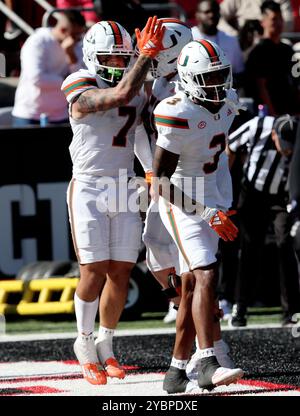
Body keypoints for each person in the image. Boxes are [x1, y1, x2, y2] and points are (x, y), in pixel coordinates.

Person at [61, 16, 165, 385]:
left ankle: (106, 342)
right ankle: (84, 342)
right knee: (93, 269)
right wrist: (142, 60)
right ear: (92, 55)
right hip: (88, 185)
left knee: (121, 269)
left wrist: (150, 171)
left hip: (122, 183)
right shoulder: (79, 82)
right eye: (113, 58)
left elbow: (136, 127)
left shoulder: (137, 85)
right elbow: (118, 96)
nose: (119, 64)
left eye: (124, 58)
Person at [152, 39, 244, 392]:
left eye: (221, 74)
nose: (218, 84)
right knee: (206, 273)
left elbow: (222, 150)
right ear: (188, 80)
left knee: (191, 287)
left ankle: (176, 372)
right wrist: (205, 211)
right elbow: (160, 182)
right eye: (208, 78)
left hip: (212, 202)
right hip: (183, 204)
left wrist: (222, 197)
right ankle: (207, 359)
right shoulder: (177, 112)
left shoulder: (227, 102)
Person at [227, 114, 300, 326]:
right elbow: (229, 147)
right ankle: (240, 307)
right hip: (252, 194)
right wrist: (225, 187)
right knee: (250, 247)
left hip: (282, 196)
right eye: (283, 143)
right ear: (274, 133)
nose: (286, 150)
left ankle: (291, 311)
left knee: (287, 245)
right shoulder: (257, 126)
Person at [12, 10, 86, 126]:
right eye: (76, 35)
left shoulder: (75, 45)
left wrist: (70, 54)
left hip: (61, 115)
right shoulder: (37, 41)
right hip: (30, 114)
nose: (78, 40)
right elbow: (37, 78)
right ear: (63, 30)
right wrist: (67, 82)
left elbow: (80, 80)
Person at [244, 1, 300, 116]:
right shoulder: (258, 52)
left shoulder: (288, 50)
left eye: (280, 18)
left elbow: (296, 81)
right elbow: (261, 87)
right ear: (263, 22)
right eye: (274, 19)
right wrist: (273, 116)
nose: (278, 23)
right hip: (270, 116)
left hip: (291, 113)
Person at [191, 0, 245, 86]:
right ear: (197, 15)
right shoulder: (189, 38)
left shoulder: (231, 40)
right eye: (207, 12)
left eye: (215, 11)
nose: (211, 15)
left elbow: (238, 72)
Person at [219, 0, 294, 35]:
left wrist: (266, 28)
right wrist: (234, 34)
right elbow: (218, 15)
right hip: (245, 46)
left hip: (275, 43)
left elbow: (289, 24)